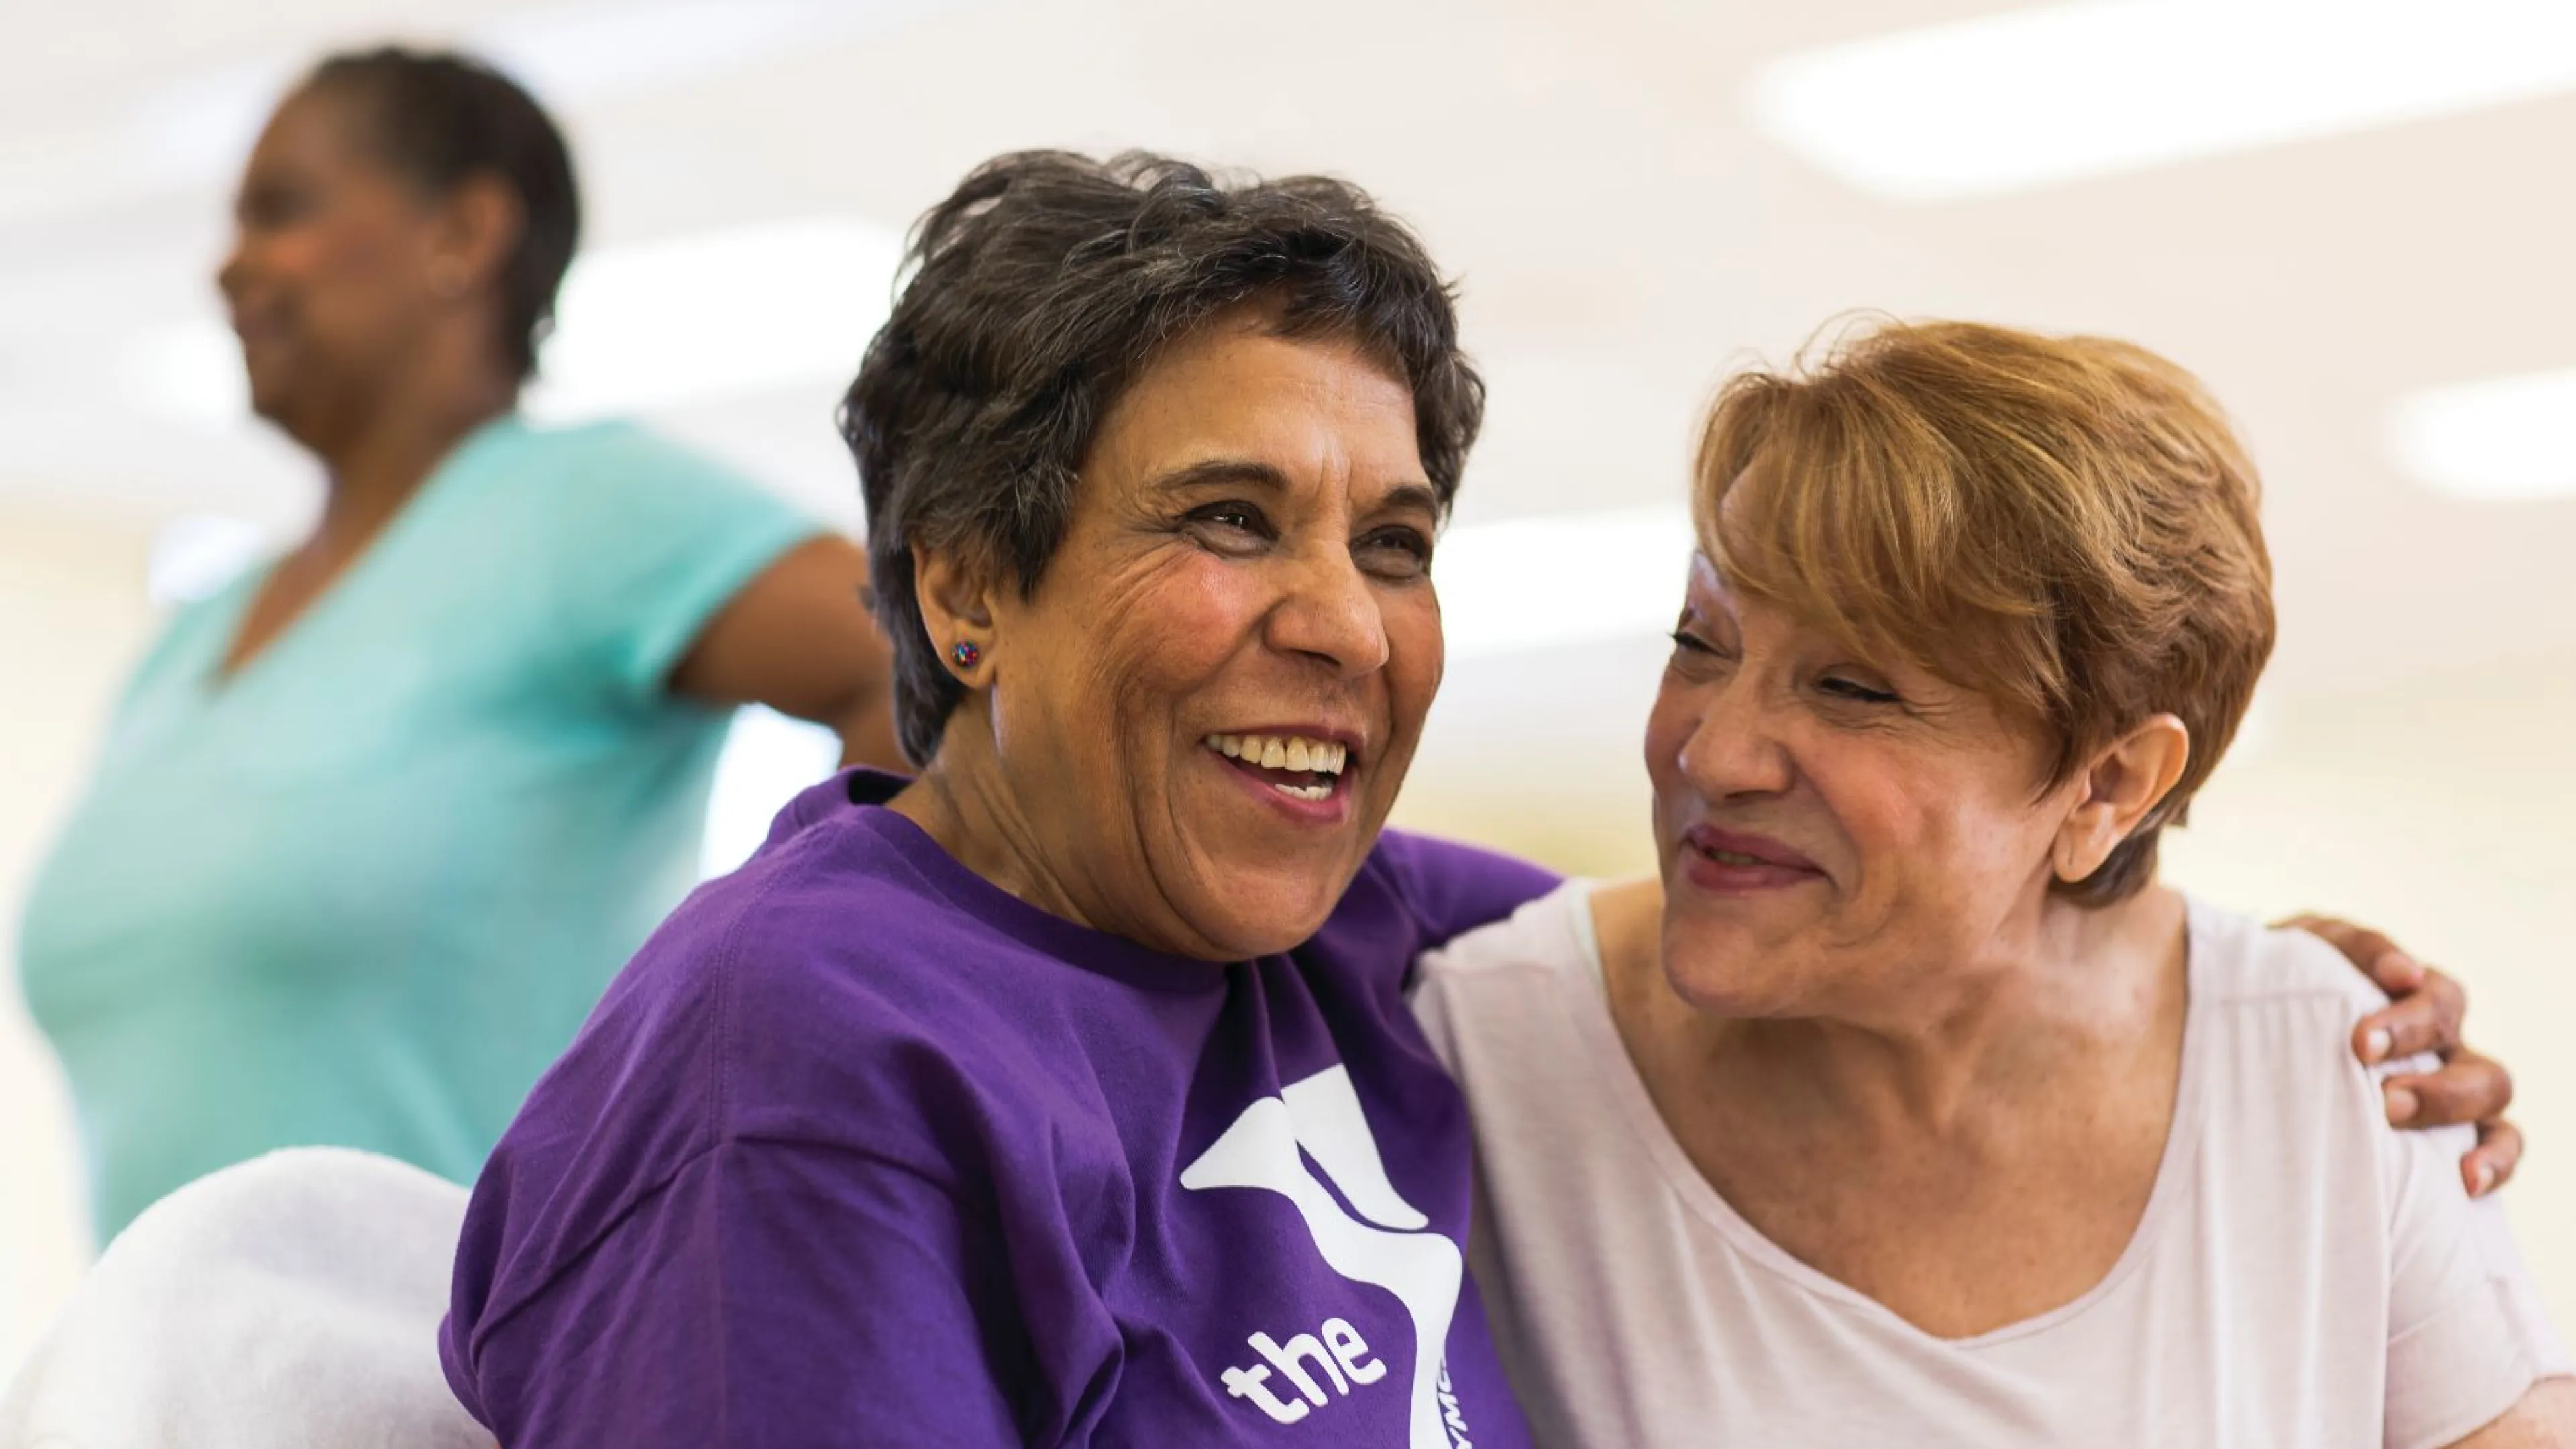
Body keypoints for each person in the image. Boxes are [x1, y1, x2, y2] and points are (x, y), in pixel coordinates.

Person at [441, 156, 2515, 1447]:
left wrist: (2239, 995)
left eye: (1398, 541)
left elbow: (1822, 931)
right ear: (971, 588)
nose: (1343, 623)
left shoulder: (1342, 931)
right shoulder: (809, 1061)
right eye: (1230, 519)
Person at [1411, 320, 2571, 1446]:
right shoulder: (1483, 1046)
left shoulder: (2330, 1066)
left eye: (1851, 689)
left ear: (2107, 787)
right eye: (1700, 643)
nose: (1715, 754)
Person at [14, 48, 903, 1244]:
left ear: (465, 233)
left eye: (281, 209)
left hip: (465, 1349)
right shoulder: (194, 635)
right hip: (162, 1351)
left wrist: (786, 1035)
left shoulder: (583, 511)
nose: (228, 264)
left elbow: (916, 659)